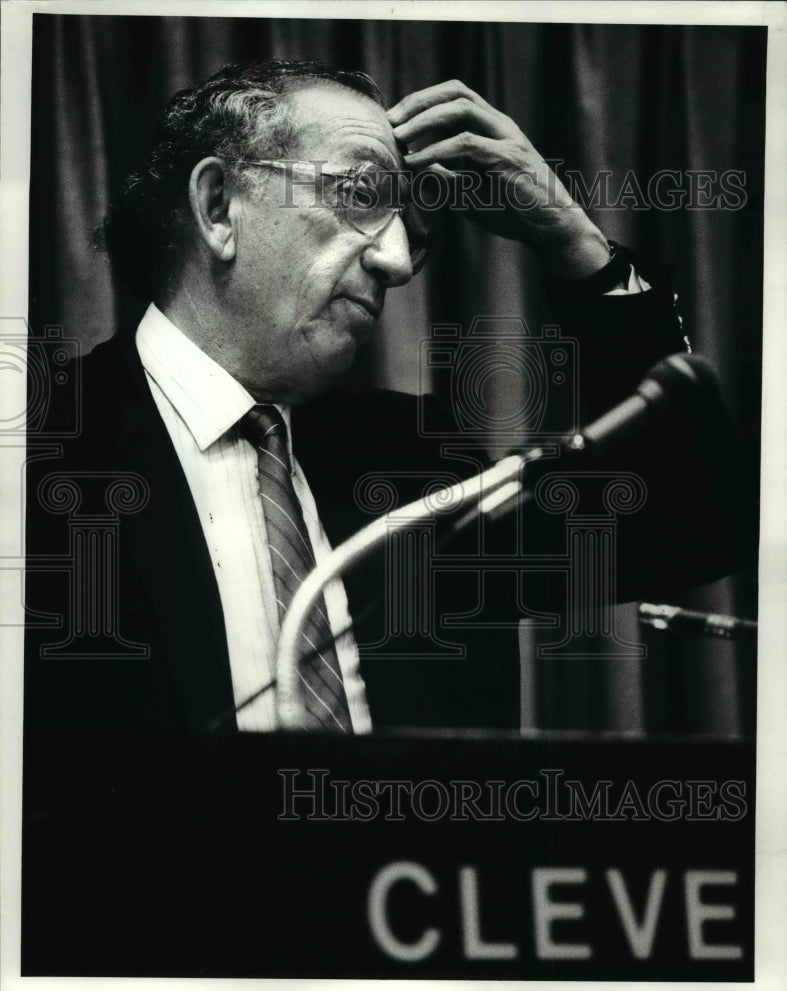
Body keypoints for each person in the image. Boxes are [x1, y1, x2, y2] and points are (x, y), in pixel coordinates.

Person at [24, 60, 751, 735]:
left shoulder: (413, 461)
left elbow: (692, 526)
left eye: (411, 229)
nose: (397, 261)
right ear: (218, 206)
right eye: (361, 196)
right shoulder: (42, 452)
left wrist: (573, 241)